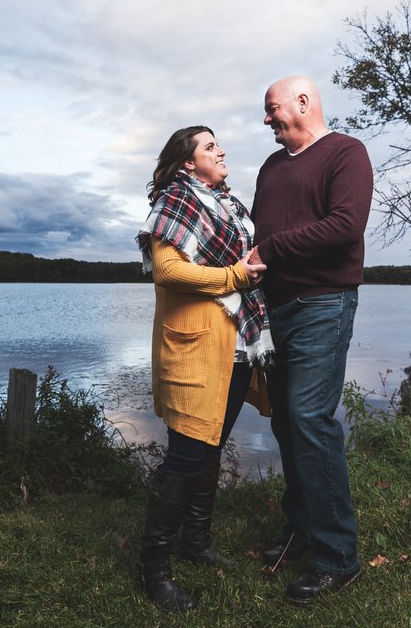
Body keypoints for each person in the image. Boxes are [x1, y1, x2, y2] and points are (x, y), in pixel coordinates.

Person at [135, 125, 274, 611]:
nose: (221, 150)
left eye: (218, 144)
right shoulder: (176, 199)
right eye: (210, 146)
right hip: (193, 346)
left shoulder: (228, 205)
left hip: (235, 346)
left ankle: (196, 543)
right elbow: (167, 270)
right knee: (187, 455)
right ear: (188, 162)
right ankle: (153, 570)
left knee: (211, 445)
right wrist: (236, 274)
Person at [249, 74, 373, 605]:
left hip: (323, 303)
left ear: (303, 102)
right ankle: (302, 527)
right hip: (273, 310)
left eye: (272, 107)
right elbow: (256, 235)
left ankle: (338, 557)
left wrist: (272, 250)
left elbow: (345, 226)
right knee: (285, 421)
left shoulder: (346, 153)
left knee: (309, 419)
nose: (267, 118)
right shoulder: (271, 167)